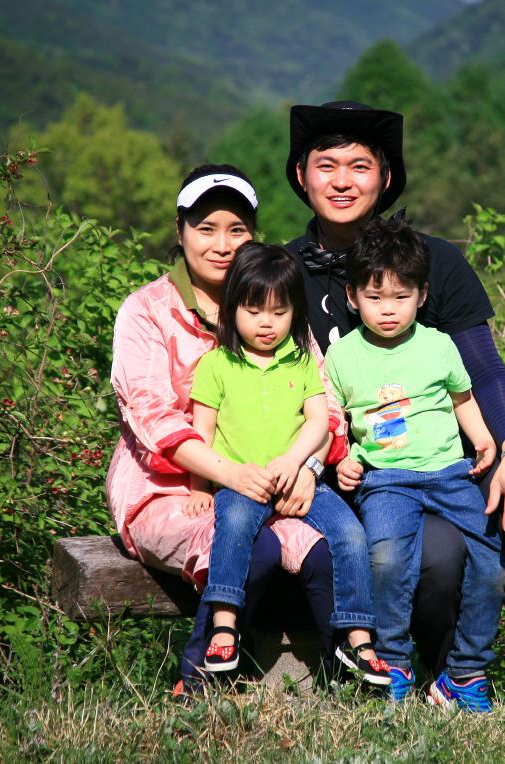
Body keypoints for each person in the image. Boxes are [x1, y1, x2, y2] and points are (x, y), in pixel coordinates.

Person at [284, 101, 505, 723]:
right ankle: (425, 671)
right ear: (300, 176)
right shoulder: (282, 270)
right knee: (436, 554)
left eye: (359, 166)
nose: (342, 181)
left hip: (441, 461)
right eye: (326, 165)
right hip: (341, 469)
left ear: (386, 178)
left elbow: (484, 370)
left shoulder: (433, 261)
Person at [106, 165, 342, 695]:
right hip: (169, 491)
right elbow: (153, 417)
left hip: (276, 482)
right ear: (180, 230)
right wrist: (230, 475)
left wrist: (307, 466)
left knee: (326, 548)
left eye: (236, 230)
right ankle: (199, 682)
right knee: (249, 546)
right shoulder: (148, 311)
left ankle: (344, 684)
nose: (221, 244)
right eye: (206, 228)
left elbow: (326, 403)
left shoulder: (276, 308)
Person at [186, 241, 389, 685]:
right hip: (242, 483)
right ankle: (224, 627)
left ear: (295, 313)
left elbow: (318, 420)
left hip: (300, 479)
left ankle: (359, 639)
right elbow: (202, 433)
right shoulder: (216, 364)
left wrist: (296, 462)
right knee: (234, 526)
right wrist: (200, 487)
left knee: (350, 532)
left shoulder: (300, 361)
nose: (267, 322)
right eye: (254, 310)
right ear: (232, 308)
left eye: (279, 312)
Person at [326, 215, 505, 712]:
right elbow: (333, 420)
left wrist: (484, 439)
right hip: (385, 482)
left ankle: (465, 673)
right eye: (375, 297)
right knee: (386, 560)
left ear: (422, 296)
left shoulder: (438, 344)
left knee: (493, 566)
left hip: (451, 475)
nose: (388, 309)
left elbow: (463, 397)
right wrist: (343, 459)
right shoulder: (342, 357)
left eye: (401, 296)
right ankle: (393, 664)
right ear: (352, 296)